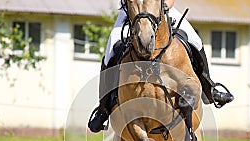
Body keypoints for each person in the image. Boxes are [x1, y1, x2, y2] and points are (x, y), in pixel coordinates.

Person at [88, 0, 234, 133]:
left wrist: (161, 9)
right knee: (111, 50)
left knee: (195, 40)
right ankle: (103, 109)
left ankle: (210, 89)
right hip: (132, 13)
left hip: (160, 11)